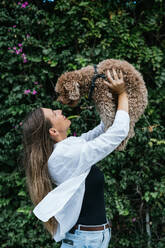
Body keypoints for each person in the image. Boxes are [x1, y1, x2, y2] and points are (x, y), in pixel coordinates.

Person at [22, 68, 129, 248]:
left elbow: (102, 130)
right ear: (53, 131)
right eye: (53, 113)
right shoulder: (63, 156)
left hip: (95, 238)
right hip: (84, 241)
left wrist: (108, 96)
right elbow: (117, 133)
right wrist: (123, 93)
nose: (59, 110)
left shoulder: (68, 146)